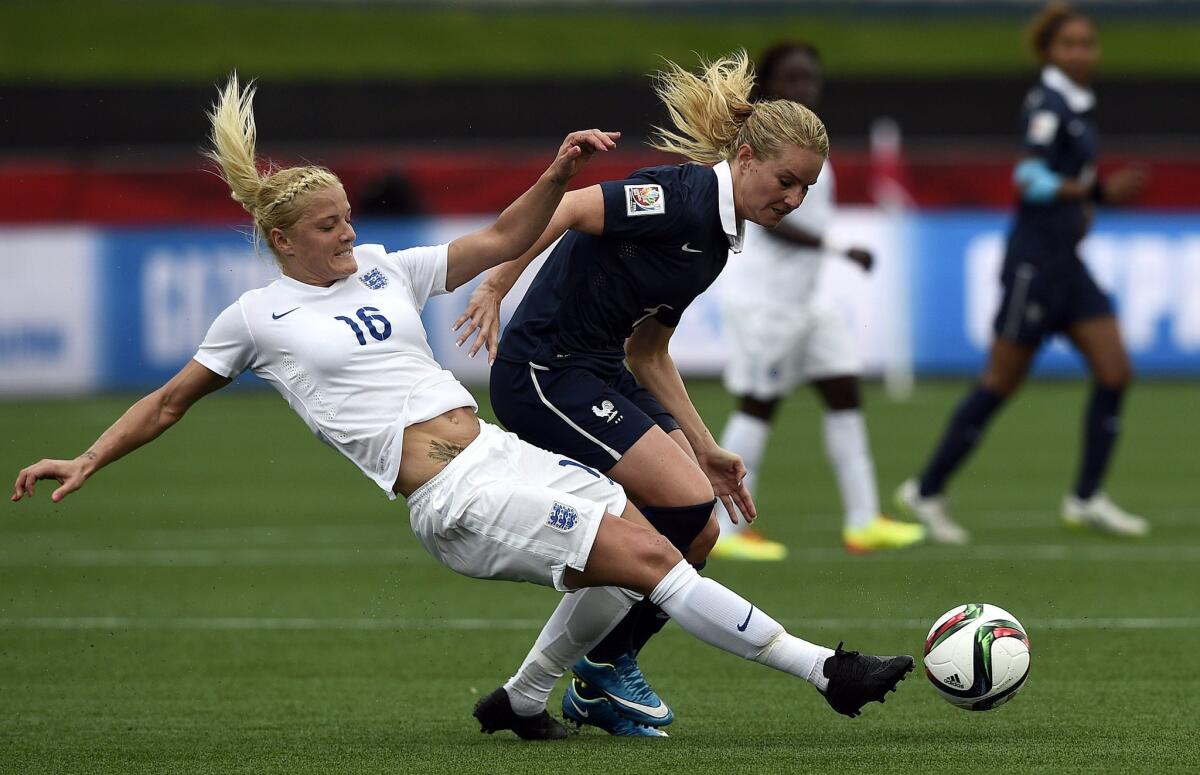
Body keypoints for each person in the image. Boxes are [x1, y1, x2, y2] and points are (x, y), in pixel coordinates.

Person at [11, 74, 914, 742]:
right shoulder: (254, 317)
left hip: (495, 453)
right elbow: (170, 402)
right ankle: (826, 670)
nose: (350, 232)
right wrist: (88, 455)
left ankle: (523, 700)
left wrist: (555, 171)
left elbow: (503, 236)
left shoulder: (382, 270)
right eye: (329, 225)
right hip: (452, 496)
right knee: (650, 550)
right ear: (281, 238)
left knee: (660, 536)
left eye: (349, 216)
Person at [452, 51, 879, 737]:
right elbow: (566, 206)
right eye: (786, 180)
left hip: (600, 370)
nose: (794, 199)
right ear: (743, 157)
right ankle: (596, 668)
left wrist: (707, 445)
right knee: (681, 505)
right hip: (544, 370)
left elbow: (647, 351)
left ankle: (578, 675)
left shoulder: (714, 243)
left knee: (702, 525)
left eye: (806, 188)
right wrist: (497, 282)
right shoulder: (676, 199)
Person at [896, 2, 1149, 543]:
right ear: (1047, 51)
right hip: (1034, 264)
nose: (1081, 52)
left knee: (1115, 370)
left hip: (1067, 264)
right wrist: (1097, 193)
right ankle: (927, 488)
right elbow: (1029, 178)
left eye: (1088, 43)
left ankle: (1086, 498)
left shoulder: (1078, 104)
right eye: (1069, 44)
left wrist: (1082, 207)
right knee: (1001, 382)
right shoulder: (1047, 104)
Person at [710, 41, 925, 562]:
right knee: (757, 406)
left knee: (844, 392)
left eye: (810, 79)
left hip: (808, 305)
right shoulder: (759, 147)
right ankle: (727, 529)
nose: (803, 88)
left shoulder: (809, 146)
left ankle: (863, 521)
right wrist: (838, 247)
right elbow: (772, 221)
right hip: (766, 304)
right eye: (792, 79)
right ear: (768, 86)